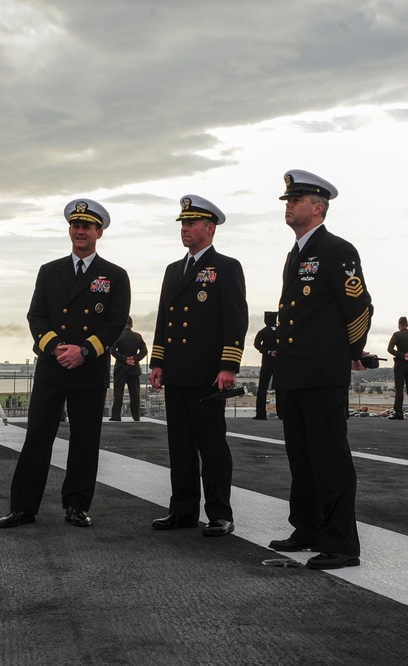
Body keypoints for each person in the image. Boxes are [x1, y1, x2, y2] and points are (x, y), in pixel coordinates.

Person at [0, 198, 130, 529]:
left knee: (85, 441)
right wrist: (57, 347)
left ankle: (76, 506)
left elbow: (115, 323)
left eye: (86, 226)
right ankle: (23, 507)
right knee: (37, 438)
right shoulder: (49, 271)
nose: (80, 231)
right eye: (75, 226)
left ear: (99, 232)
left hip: (90, 367)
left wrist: (83, 351)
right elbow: (36, 316)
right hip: (53, 367)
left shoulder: (114, 275)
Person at [267, 170, 373, 570]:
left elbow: (359, 306)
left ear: (318, 207)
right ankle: (308, 529)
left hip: (323, 375)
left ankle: (341, 543)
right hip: (293, 374)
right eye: (288, 200)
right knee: (302, 458)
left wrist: (350, 352)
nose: (289, 206)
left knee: (329, 458)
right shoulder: (295, 254)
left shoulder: (336, 249)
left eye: (296, 200)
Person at [148, 195, 249, 538]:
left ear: (210, 227)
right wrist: (158, 361)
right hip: (176, 372)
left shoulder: (226, 266)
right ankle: (183, 510)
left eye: (191, 223)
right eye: (182, 224)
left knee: (212, 445)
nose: (185, 229)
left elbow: (235, 320)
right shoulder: (173, 270)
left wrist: (228, 366)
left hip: (207, 374)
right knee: (179, 445)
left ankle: (220, 513)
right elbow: (164, 319)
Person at [110, 317, 147, 421]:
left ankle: (116, 416)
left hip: (120, 368)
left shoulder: (118, 336)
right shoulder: (138, 336)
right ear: (132, 324)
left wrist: (124, 359)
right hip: (134, 369)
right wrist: (134, 358)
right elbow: (144, 351)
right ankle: (136, 416)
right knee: (135, 394)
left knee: (118, 393)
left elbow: (112, 350)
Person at [253, 311, 279, 420]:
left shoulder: (263, 332)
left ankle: (261, 413)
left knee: (262, 388)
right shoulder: (280, 331)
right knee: (280, 387)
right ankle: (282, 413)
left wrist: (267, 351)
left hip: (267, 361)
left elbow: (256, 344)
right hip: (279, 362)